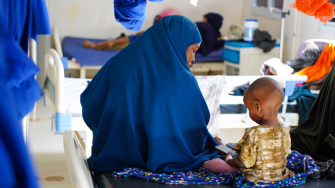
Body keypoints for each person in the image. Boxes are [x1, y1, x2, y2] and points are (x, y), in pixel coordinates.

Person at [80, 15, 219, 174]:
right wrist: (207, 143)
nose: (193, 59)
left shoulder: (119, 62)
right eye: (193, 51)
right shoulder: (177, 79)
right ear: (177, 43)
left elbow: (90, 101)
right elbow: (191, 127)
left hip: (108, 154)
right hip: (152, 158)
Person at [204, 77, 294, 182]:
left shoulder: (254, 133)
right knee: (232, 146)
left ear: (257, 106)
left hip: (256, 177)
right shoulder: (284, 129)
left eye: (248, 108)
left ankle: (224, 149)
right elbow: (286, 152)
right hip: (280, 175)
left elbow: (241, 163)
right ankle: (224, 147)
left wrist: (228, 160)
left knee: (211, 163)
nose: (249, 110)